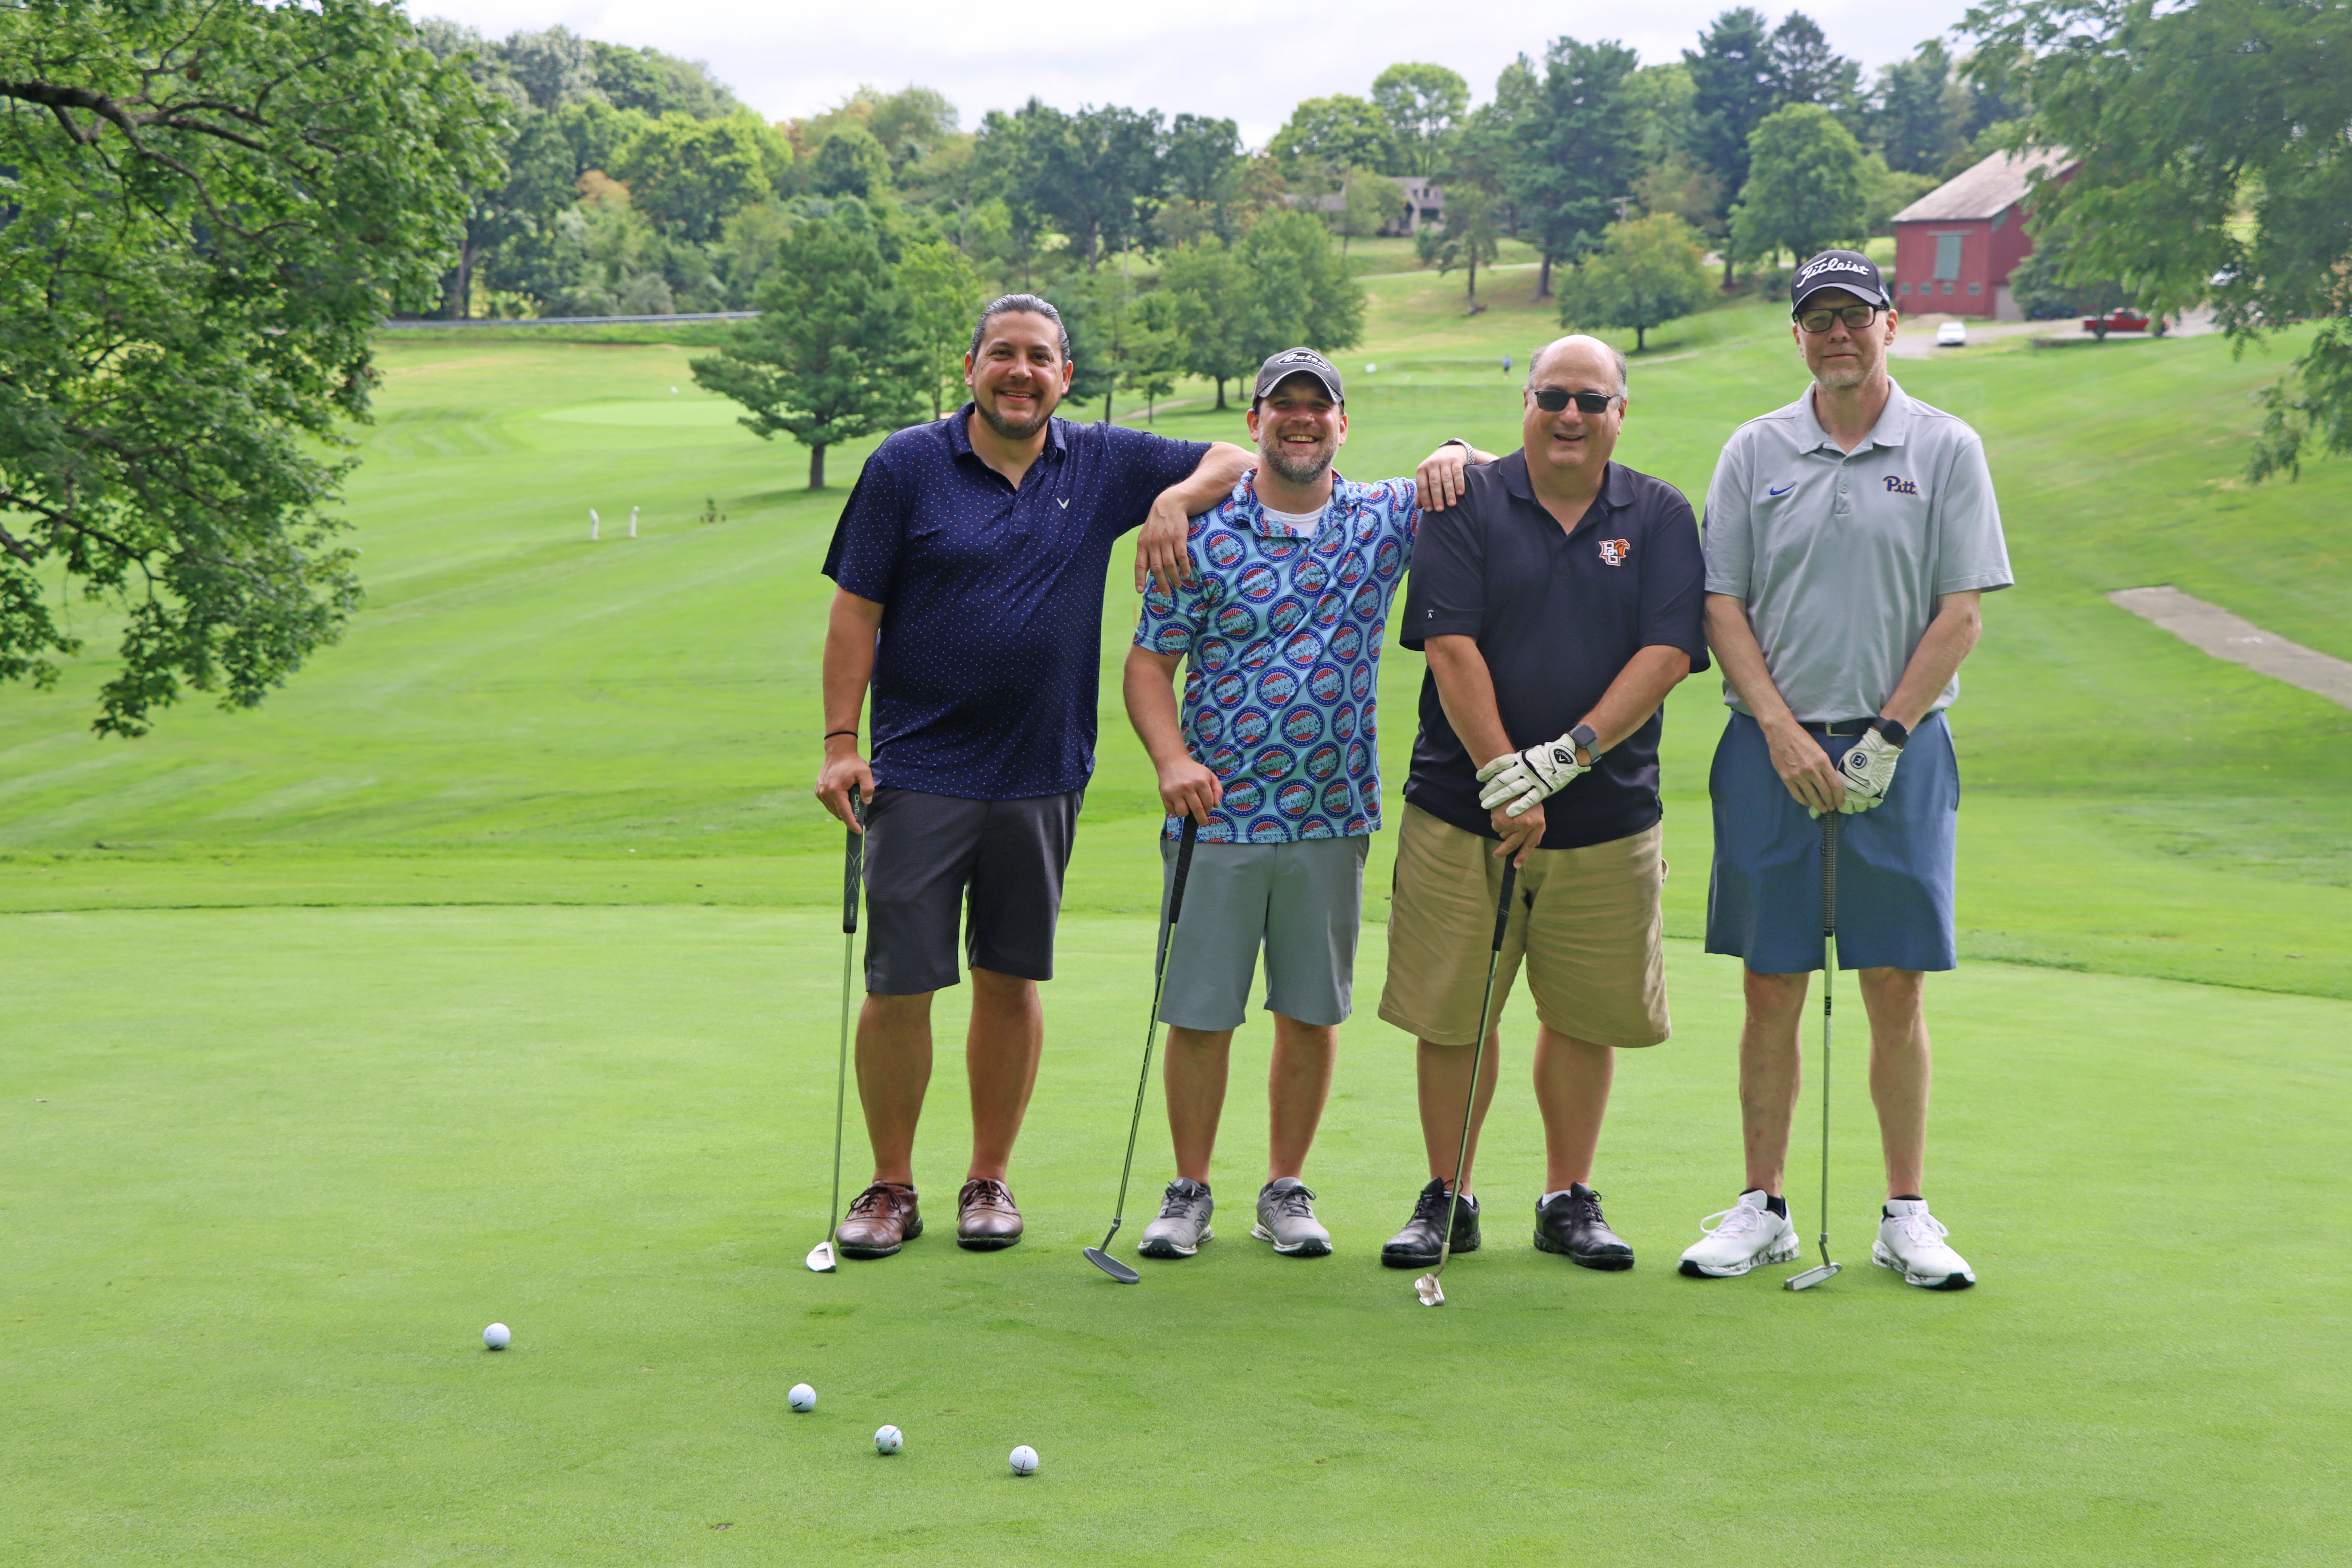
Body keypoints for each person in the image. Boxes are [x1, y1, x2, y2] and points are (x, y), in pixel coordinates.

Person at [813, 294, 1251, 1260]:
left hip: (1043, 772)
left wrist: (1173, 500)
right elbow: (856, 614)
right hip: (921, 768)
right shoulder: (906, 466)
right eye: (1002, 355)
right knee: (901, 986)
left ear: (1065, 377)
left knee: (1009, 982)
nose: (1021, 372)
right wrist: (843, 741)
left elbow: (1239, 458)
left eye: (1039, 359)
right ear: (969, 367)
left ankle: (989, 1179)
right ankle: (890, 1186)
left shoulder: (1099, 462)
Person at [1677, 250, 2012, 1290]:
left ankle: (1905, 1212)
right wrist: (1778, 728)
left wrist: (1887, 737)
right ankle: (1763, 1207)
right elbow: (1720, 604)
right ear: (1797, 335)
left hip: (1899, 751)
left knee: (1894, 985)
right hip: (1768, 748)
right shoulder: (1754, 448)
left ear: (1890, 326)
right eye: (1818, 318)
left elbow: (1961, 614)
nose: (1837, 334)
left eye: (1854, 316)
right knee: (1772, 985)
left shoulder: (1946, 448)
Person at [1120, 348, 1491, 1261]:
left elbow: (1494, 473)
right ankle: (1189, 1190)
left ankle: (1285, 1187)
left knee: (1309, 1012)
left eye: (1316, 407)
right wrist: (1169, 759)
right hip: (1216, 821)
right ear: (1254, 424)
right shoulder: (1200, 532)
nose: (1300, 420)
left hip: (1331, 815)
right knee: (1201, 1013)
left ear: (1341, 424)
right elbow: (1148, 665)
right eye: (1281, 407)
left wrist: (1454, 447)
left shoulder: (1378, 517)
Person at [1376, 334, 1709, 1274]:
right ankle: (1450, 1194)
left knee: (1583, 1015)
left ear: (1619, 413)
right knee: (1453, 1016)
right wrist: (1501, 778)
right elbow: (1450, 644)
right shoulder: (1463, 500)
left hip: (1607, 817)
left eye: (1591, 402)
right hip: (1459, 809)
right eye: (1554, 396)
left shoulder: (1658, 514)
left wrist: (1561, 762)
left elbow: (1669, 652)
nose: (1572, 415)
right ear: (1524, 402)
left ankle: (1569, 1195)